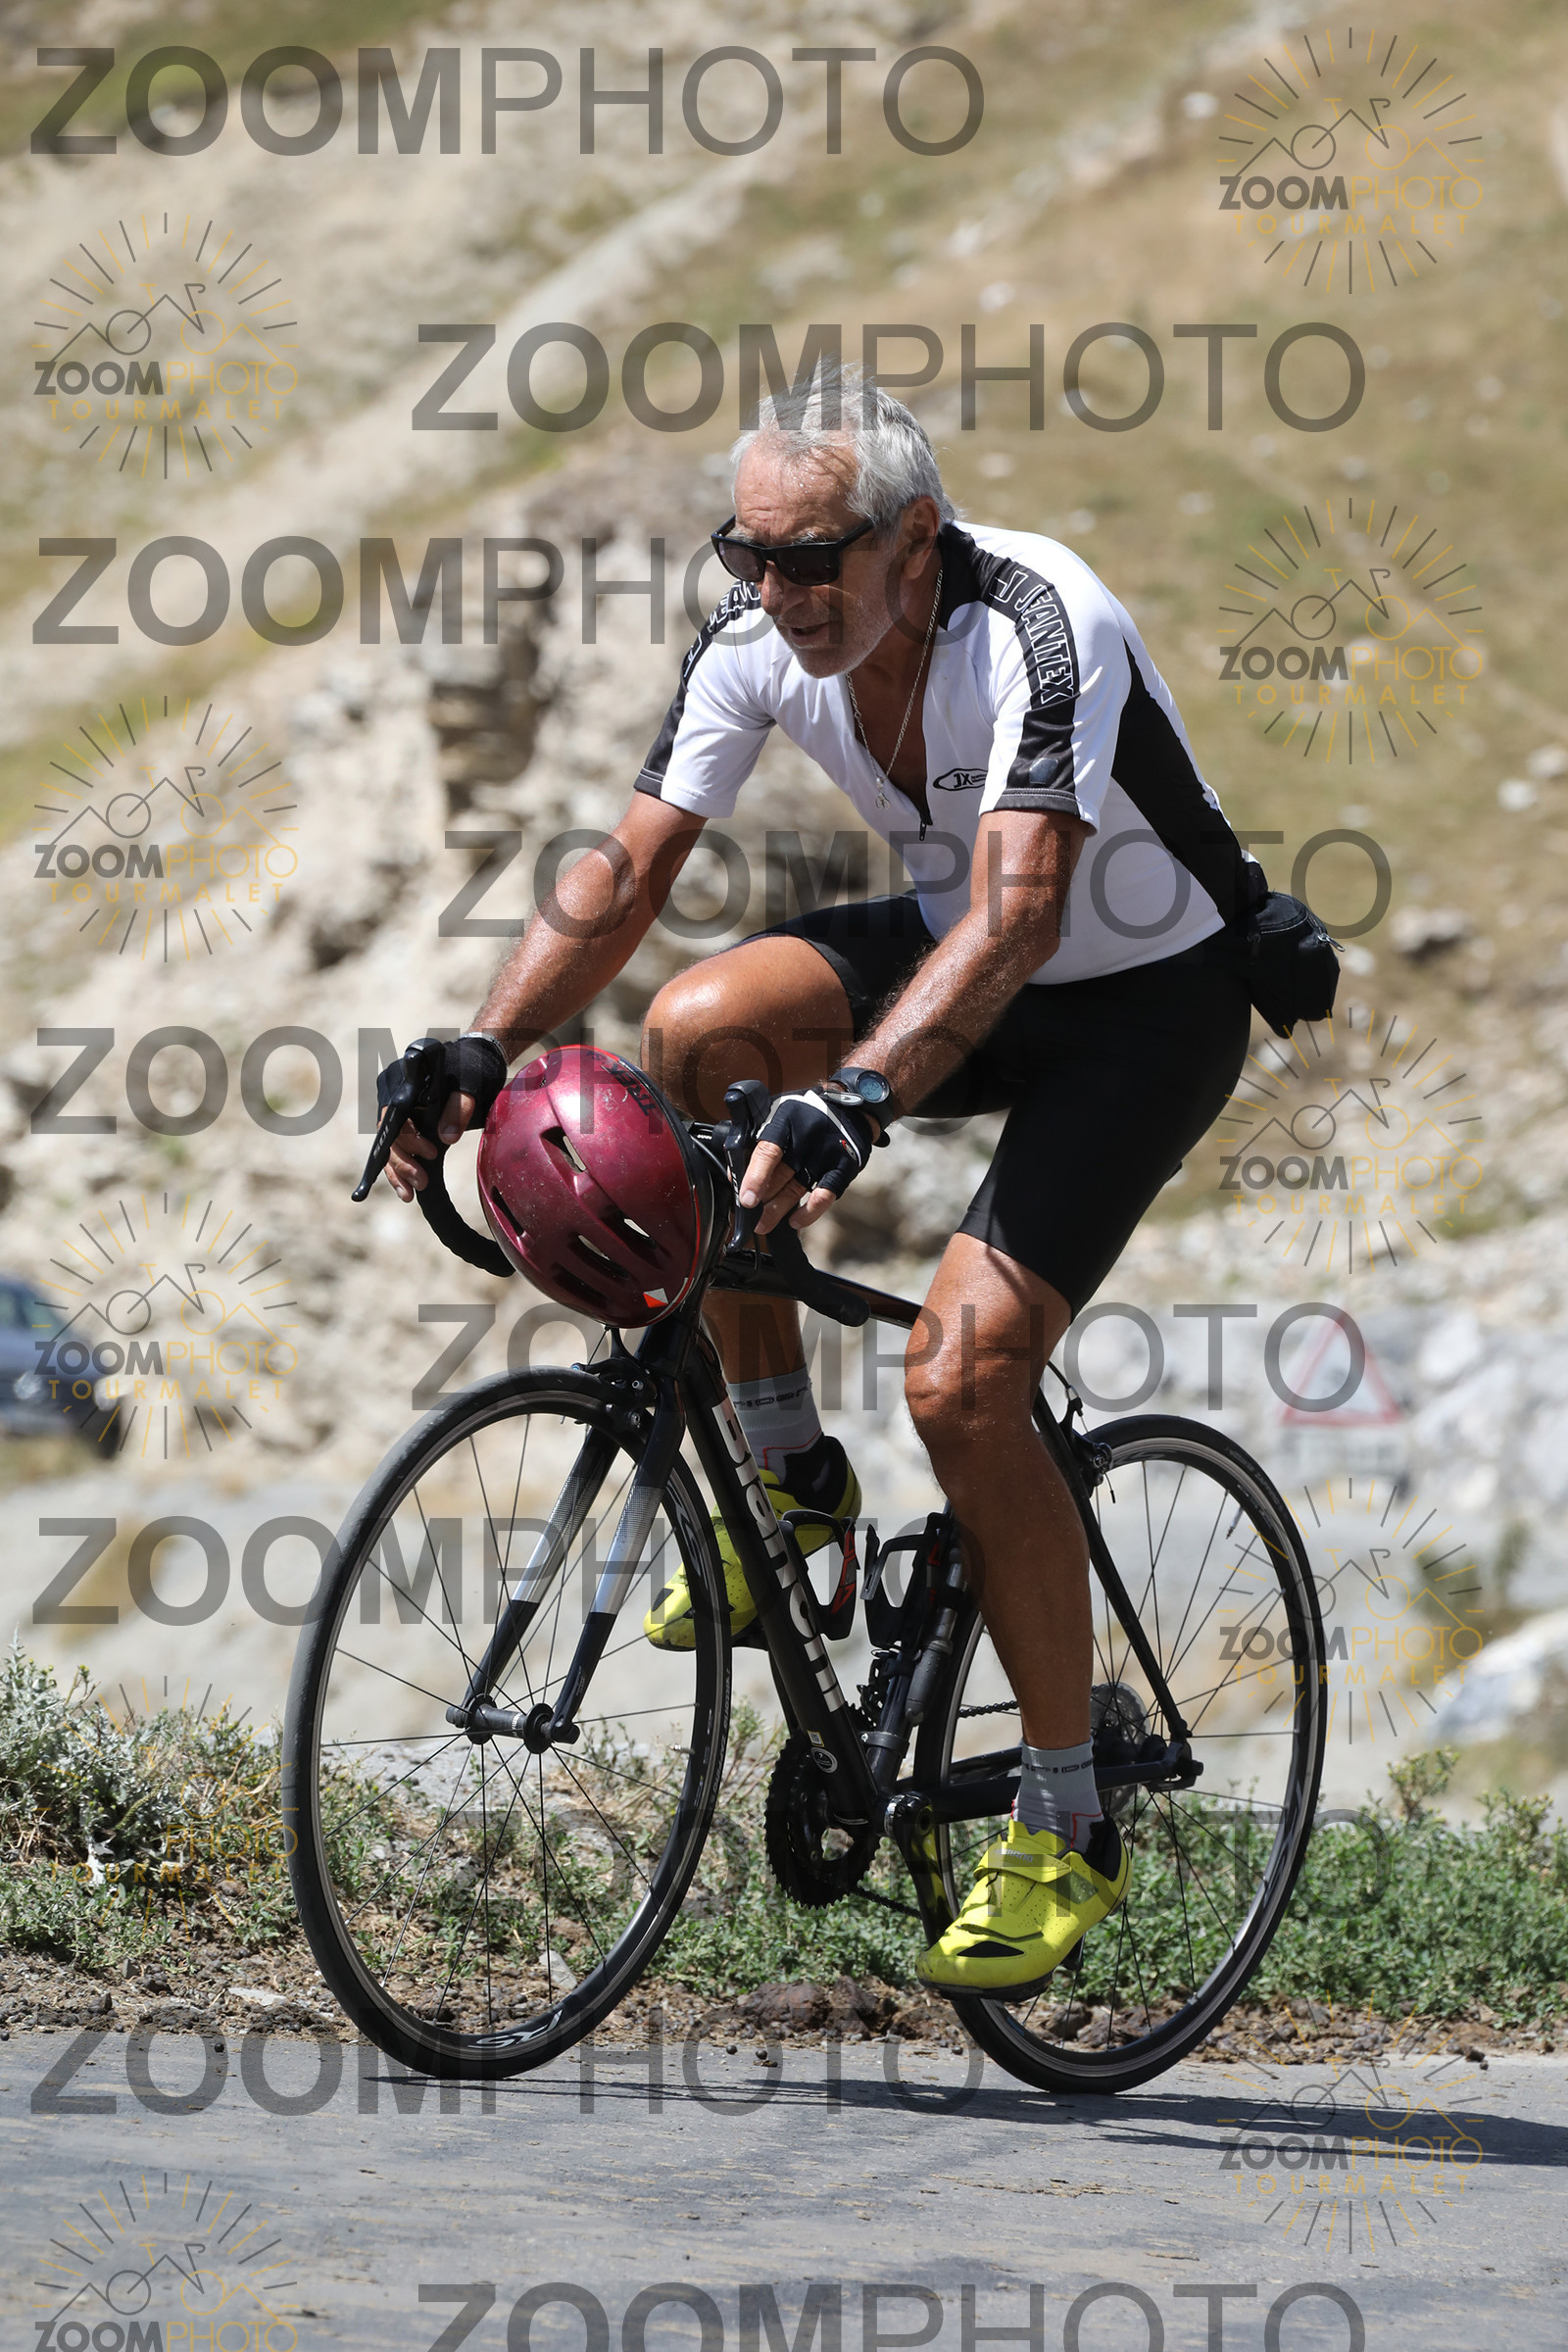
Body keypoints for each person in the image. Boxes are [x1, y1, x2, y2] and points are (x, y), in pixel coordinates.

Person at [386, 364, 1258, 1998]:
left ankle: (1067, 1816)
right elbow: (629, 870)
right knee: (697, 1033)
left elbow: (1023, 914)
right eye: (750, 555)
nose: (778, 591)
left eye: (811, 558)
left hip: (1145, 1006)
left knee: (962, 1381)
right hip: (963, 961)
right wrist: (481, 1046)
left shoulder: (1041, 620)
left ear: (911, 539)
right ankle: (789, 1480)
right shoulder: (756, 644)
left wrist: (857, 1096)